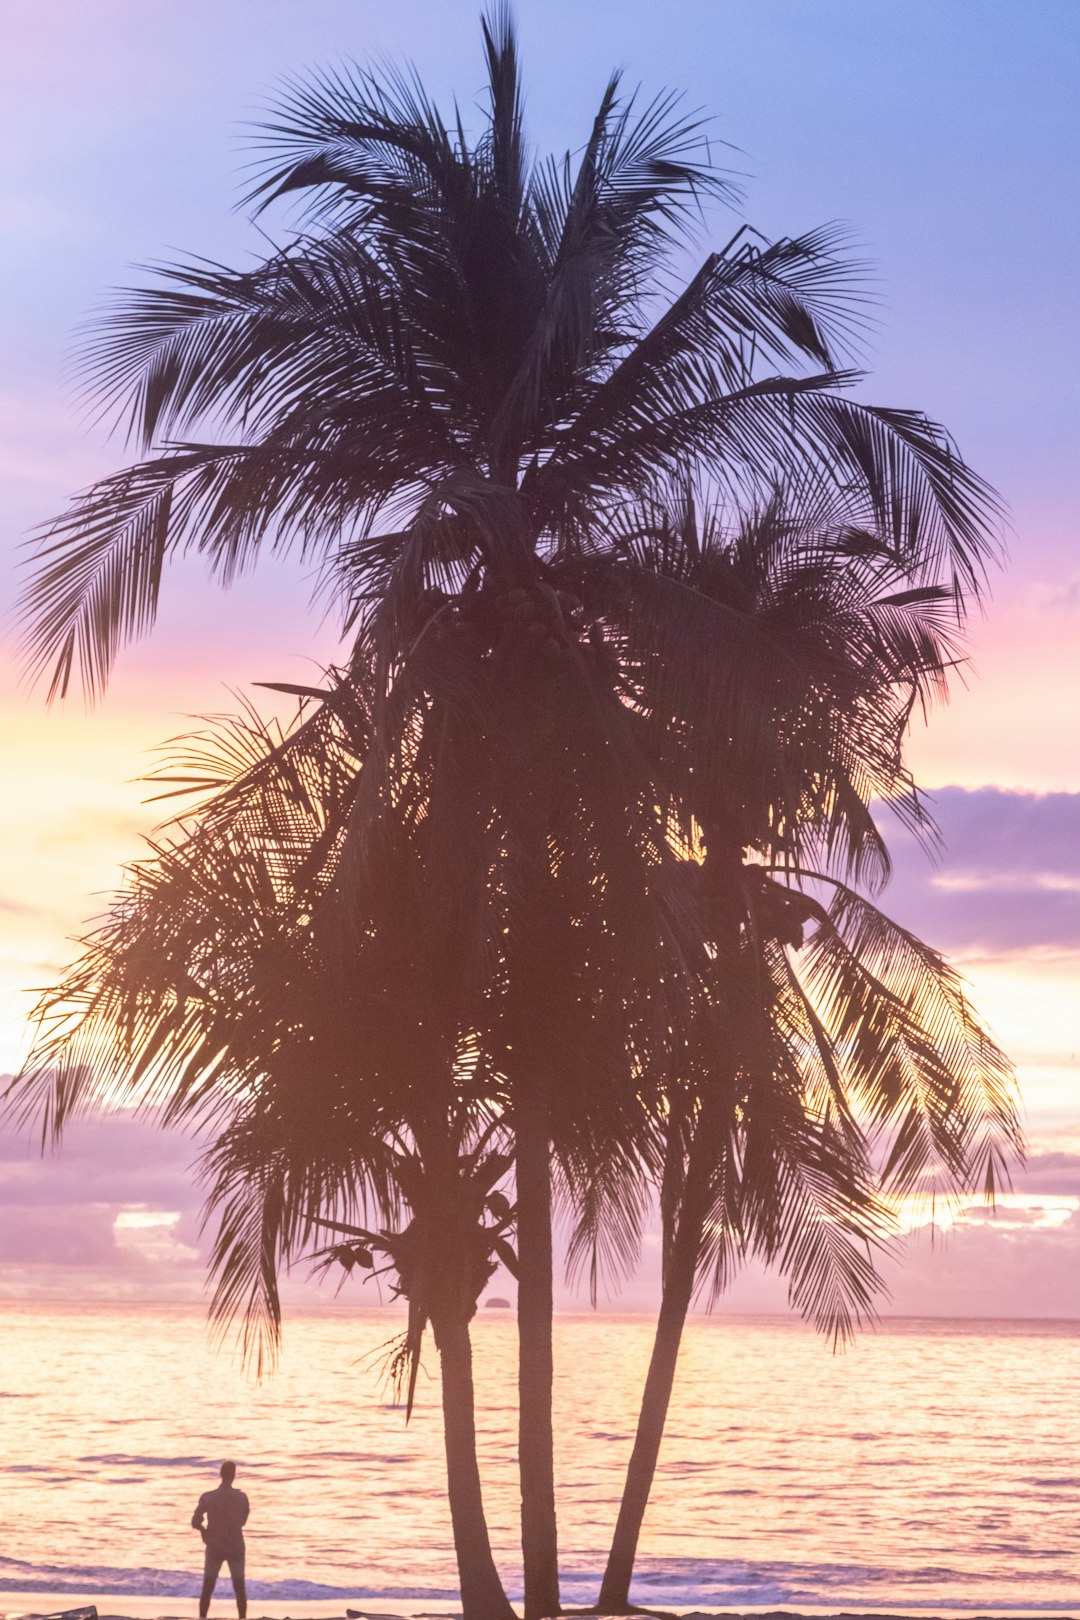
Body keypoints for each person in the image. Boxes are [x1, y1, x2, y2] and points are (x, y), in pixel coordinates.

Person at [192, 1460, 250, 1619]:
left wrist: (204, 1532)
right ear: (234, 1475)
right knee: (239, 1586)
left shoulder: (208, 1497)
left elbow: (195, 1521)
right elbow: (243, 1522)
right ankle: (242, 1618)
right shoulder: (241, 1497)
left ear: (221, 1474)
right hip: (235, 1545)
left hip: (214, 1545)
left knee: (208, 1586)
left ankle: (202, 1617)